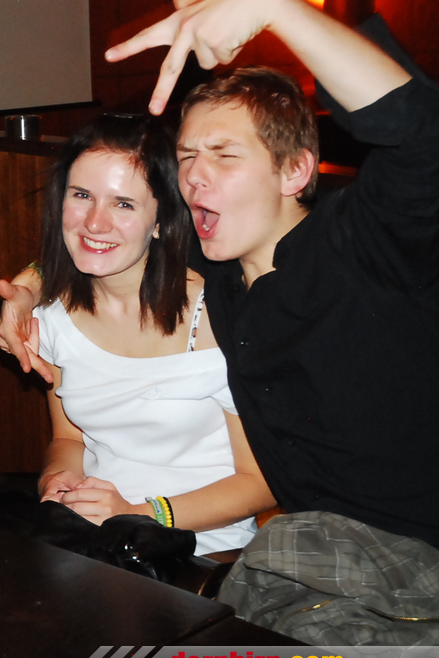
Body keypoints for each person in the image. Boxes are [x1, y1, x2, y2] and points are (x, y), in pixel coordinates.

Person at [0, 0, 439, 646]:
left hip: (436, 567)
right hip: (320, 570)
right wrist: (27, 287)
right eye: (187, 157)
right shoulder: (217, 267)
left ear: (295, 169)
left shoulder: (366, 244)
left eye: (223, 155)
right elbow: (107, 242)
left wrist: (275, 8)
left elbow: (426, 133)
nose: (195, 176)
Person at [28, 112, 273, 555]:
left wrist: (140, 513)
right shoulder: (50, 317)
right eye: (82, 195)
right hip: (96, 539)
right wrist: (58, 478)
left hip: (202, 550)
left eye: (123, 204)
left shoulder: (219, 317)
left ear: (161, 220)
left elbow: (261, 482)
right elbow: (68, 439)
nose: (95, 223)